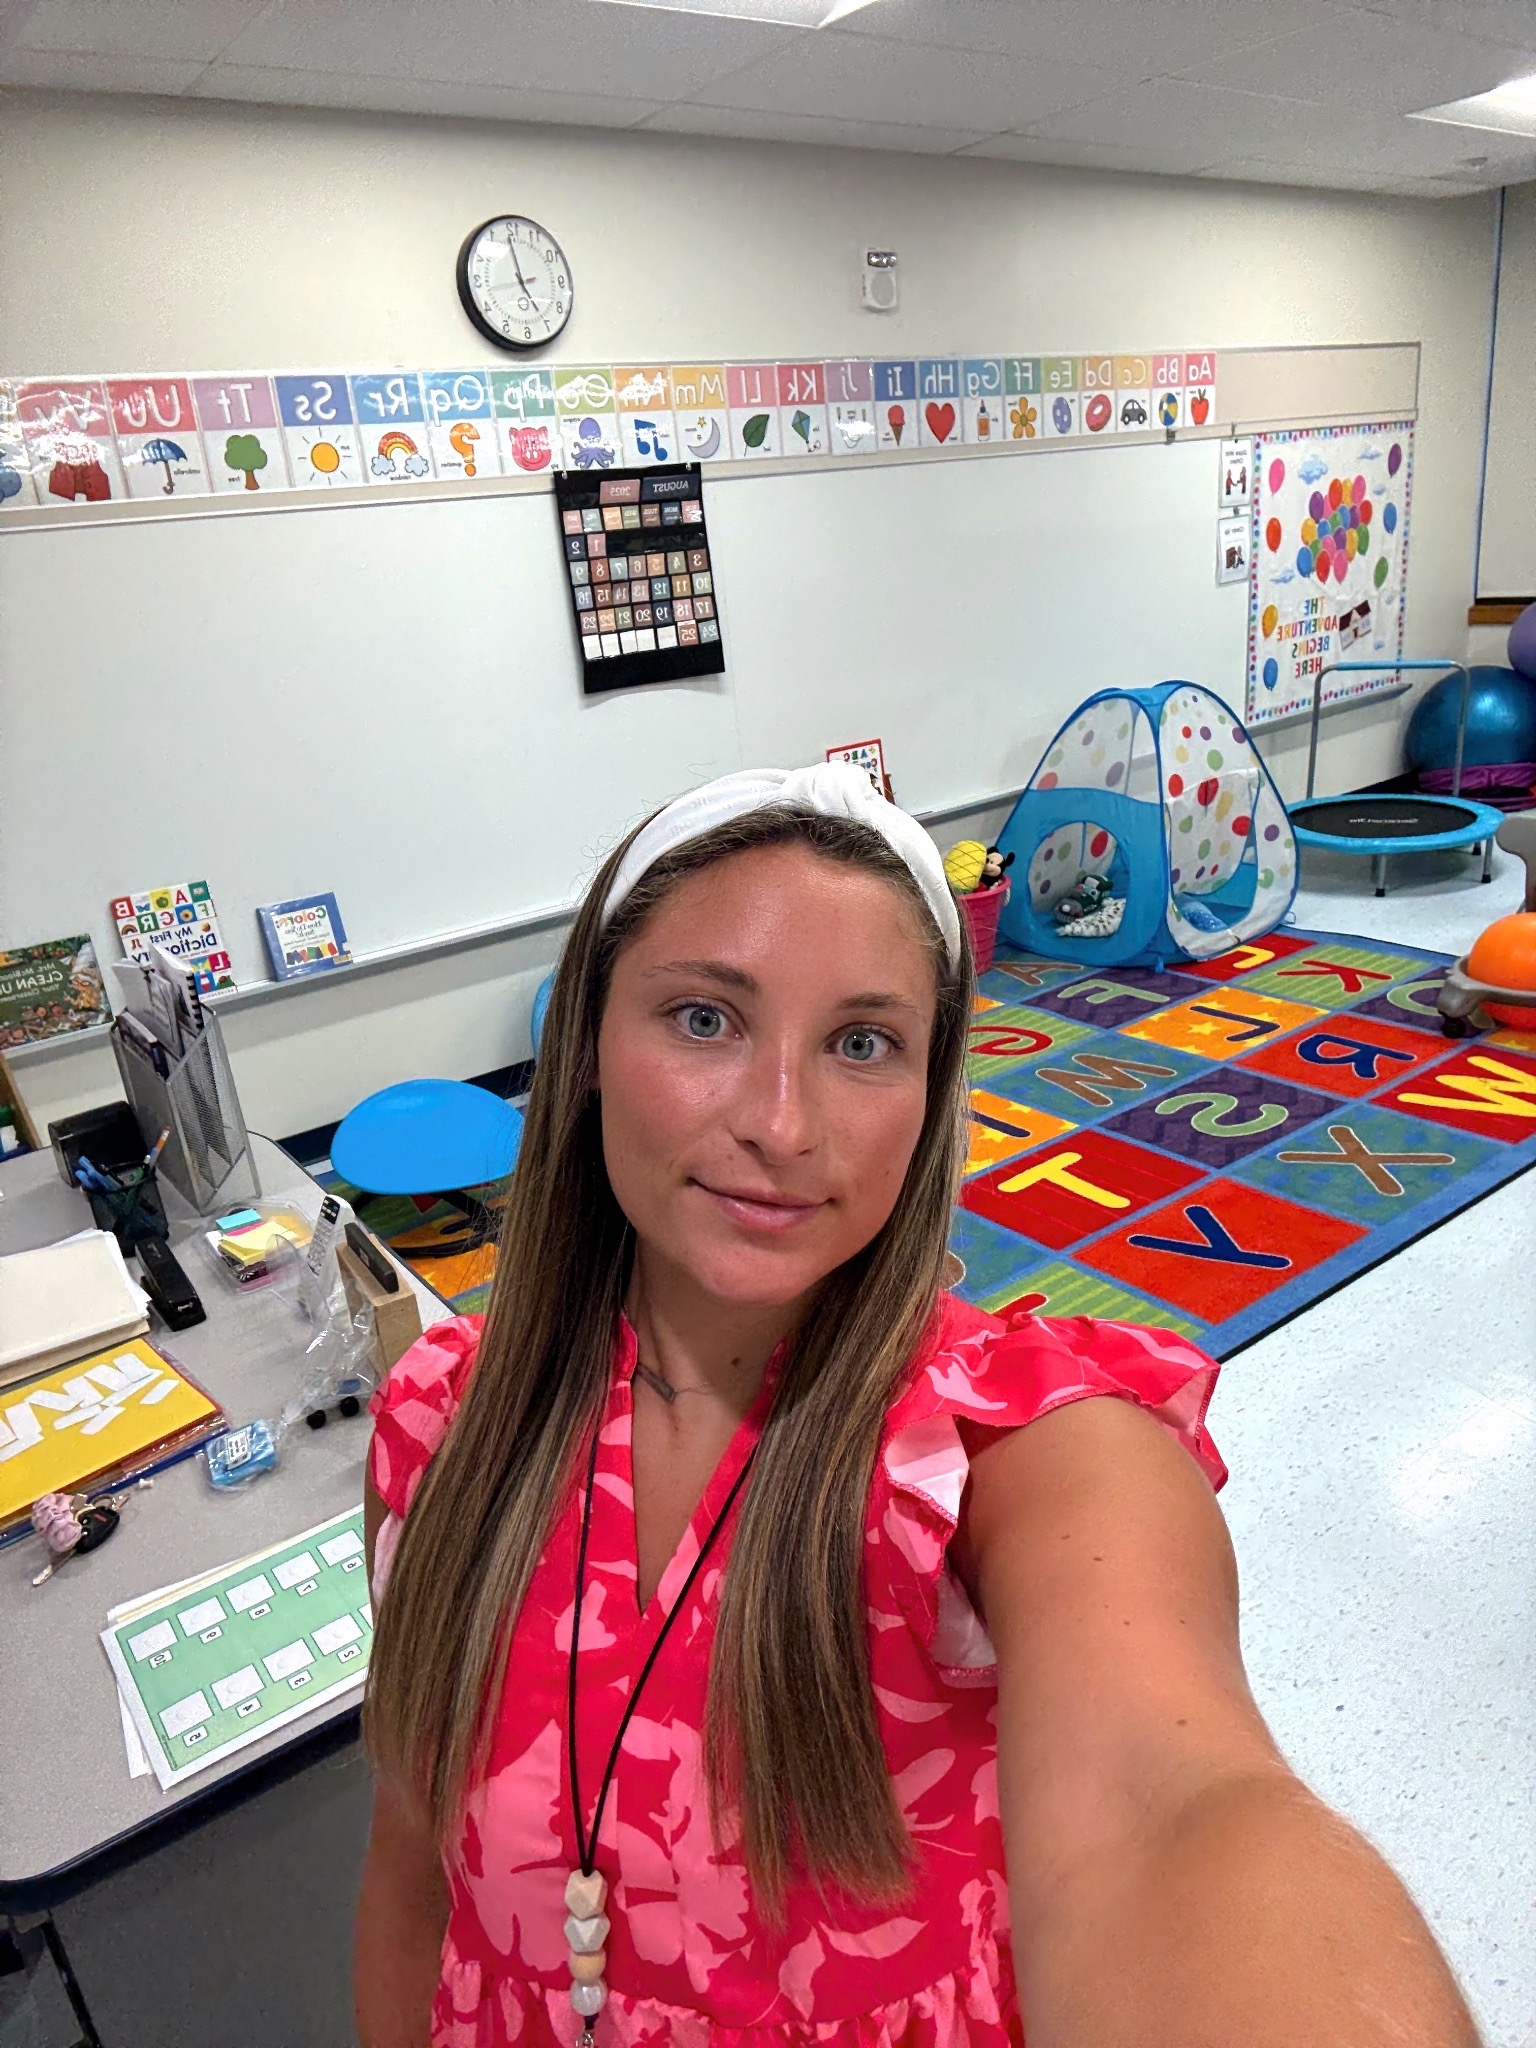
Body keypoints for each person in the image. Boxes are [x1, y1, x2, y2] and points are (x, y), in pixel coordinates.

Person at [357, 764, 1477, 2048]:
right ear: (588, 1047)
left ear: (933, 1093)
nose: (781, 1124)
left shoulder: (1005, 1450)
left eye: (862, 1043)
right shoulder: (444, 1421)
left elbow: (1172, 1815)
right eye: (706, 1019)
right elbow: (411, 1876)